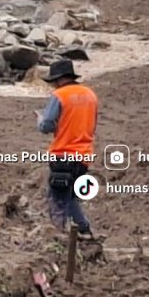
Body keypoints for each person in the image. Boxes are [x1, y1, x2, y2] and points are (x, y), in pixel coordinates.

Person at [37, 59, 98, 241]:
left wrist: (40, 121)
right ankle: (80, 230)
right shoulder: (90, 95)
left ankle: (69, 233)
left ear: (58, 80)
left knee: (59, 198)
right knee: (70, 195)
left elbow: (47, 125)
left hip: (63, 153)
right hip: (84, 155)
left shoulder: (60, 95)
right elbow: (91, 124)